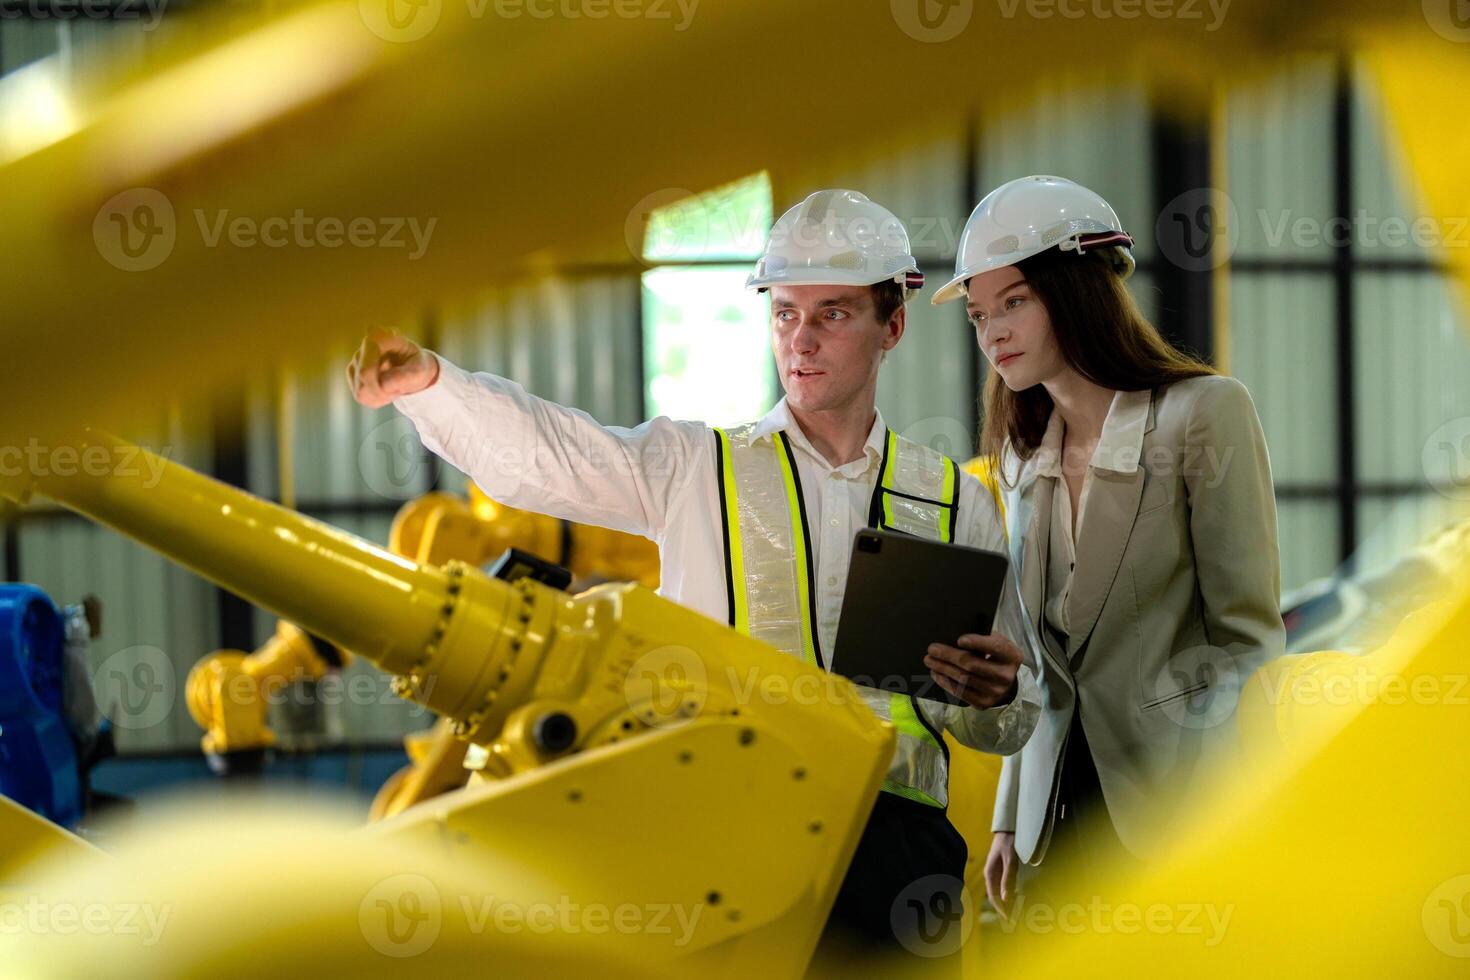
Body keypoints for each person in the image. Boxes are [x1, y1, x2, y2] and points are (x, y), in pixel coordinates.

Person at [347, 188, 1041, 958]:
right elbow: (548, 455)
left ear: (893, 325)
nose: (801, 340)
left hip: (901, 856)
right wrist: (431, 385)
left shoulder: (957, 500)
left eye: (832, 314)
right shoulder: (696, 468)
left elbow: (1002, 722)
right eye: (785, 313)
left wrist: (999, 694)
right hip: (733, 842)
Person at [929, 176, 1285, 914]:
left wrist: (1228, 817)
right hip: (1053, 818)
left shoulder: (1203, 416)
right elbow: (1041, 663)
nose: (992, 331)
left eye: (1014, 301)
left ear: (1080, 291)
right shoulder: (1025, 458)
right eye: (977, 314)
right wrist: (1005, 819)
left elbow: (1247, 643)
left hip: (1177, 805)